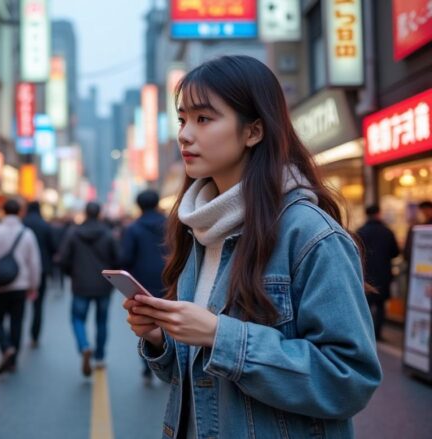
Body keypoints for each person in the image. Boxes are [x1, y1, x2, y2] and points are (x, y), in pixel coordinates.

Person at [123, 55, 381, 438]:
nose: (185, 135)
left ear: (254, 131)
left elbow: (349, 379)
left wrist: (219, 335)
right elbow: (204, 382)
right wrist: (162, 338)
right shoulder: (200, 229)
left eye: (203, 118)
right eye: (182, 120)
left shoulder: (309, 234)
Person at [58, 202, 120, 376]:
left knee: (77, 319)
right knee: (102, 322)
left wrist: (72, 274)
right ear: (99, 214)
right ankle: (100, 357)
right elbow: (118, 259)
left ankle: (84, 345)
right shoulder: (108, 234)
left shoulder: (73, 233)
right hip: (103, 285)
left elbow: (63, 259)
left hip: (80, 284)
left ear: (85, 213)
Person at [0, 199, 42, 374]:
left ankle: (5, 347)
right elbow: (34, 263)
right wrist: (34, 285)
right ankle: (13, 359)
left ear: (3, 211)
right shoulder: (27, 234)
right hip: (20, 284)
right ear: (20, 212)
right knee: (16, 322)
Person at [121, 189, 167, 381]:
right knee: (171, 320)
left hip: (142, 283)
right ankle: (173, 361)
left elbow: (126, 258)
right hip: (170, 279)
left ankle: (149, 364)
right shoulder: (172, 225)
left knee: (146, 323)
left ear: (138, 206)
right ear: (157, 203)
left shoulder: (133, 228)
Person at [357, 205, 400, 341]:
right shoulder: (387, 231)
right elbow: (395, 252)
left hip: (365, 274)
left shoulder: (360, 232)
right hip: (383, 273)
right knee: (381, 306)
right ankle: (378, 334)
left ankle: (365, 333)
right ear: (378, 214)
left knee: (365, 305)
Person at [22, 201, 56, 347]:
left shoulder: (22, 223)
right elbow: (53, 247)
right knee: (38, 305)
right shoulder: (45, 225)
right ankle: (35, 336)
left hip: (21, 270)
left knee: (18, 307)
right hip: (41, 269)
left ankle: (15, 339)